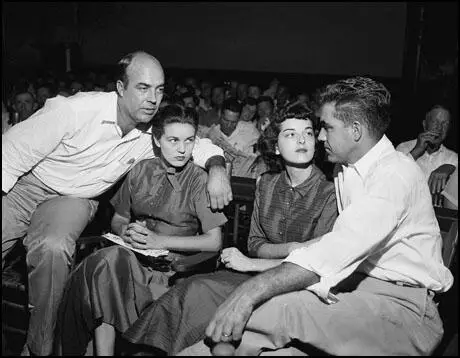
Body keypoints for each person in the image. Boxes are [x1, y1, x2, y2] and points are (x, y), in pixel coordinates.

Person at [176, 76, 453, 356]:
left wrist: (248, 292)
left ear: (355, 130)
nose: (319, 137)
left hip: (403, 306)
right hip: (355, 288)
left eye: (326, 128)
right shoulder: (346, 169)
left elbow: (334, 250)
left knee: (282, 310)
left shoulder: (394, 174)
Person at [2, 50, 231, 356]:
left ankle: (40, 348)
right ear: (121, 88)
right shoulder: (74, 110)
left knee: (53, 248)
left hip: (74, 199)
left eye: (159, 90)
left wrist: (216, 168)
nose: (152, 98)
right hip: (24, 184)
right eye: (143, 87)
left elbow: (195, 144)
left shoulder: (152, 132)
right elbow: (11, 152)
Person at [122, 104, 338, 355]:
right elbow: (256, 244)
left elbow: (318, 262)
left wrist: (253, 263)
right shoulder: (267, 183)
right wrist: (293, 249)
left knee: (220, 335)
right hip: (254, 274)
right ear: (276, 146)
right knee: (192, 290)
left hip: (299, 286)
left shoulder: (329, 192)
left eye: (309, 133)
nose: (302, 140)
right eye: (291, 133)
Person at [57, 104, 228, 355]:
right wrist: (126, 230)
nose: (182, 149)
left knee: (109, 270)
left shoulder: (198, 180)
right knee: (106, 261)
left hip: (174, 271)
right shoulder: (140, 170)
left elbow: (214, 242)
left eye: (189, 141)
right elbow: (119, 217)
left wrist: (159, 241)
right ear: (157, 140)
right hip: (134, 261)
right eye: (173, 140)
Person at [396, 104, 458, 197]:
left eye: (445, 123)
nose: (439, 128)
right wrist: (416, 151)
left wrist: (451, 167)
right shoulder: (404, 148)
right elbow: (392, 181)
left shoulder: (452, 157)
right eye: (435, 121)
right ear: (425, 125)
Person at [198, 99, 261, 178]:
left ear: (239, 119)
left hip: (244, 180)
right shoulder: (212, 134)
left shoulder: (250, 131)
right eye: (226, 120)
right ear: (220, 115)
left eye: (233, 122)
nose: (229, 125)